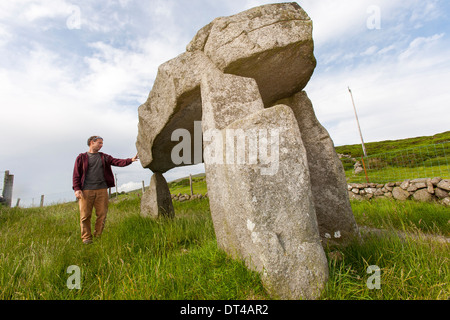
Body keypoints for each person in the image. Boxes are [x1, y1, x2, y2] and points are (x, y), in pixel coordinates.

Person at [72, 136, 138, 244]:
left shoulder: (104, 157)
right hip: (86, 191)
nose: (101, 145)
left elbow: (116, 161)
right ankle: (86, 238)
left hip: (102, 190)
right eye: (99, 143)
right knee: (85, 216)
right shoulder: (82, 157)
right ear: (91, 143)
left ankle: (98, 236)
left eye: (102, 143)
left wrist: (130, 160)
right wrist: (77, 189)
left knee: (102, 214)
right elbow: (76, 174)